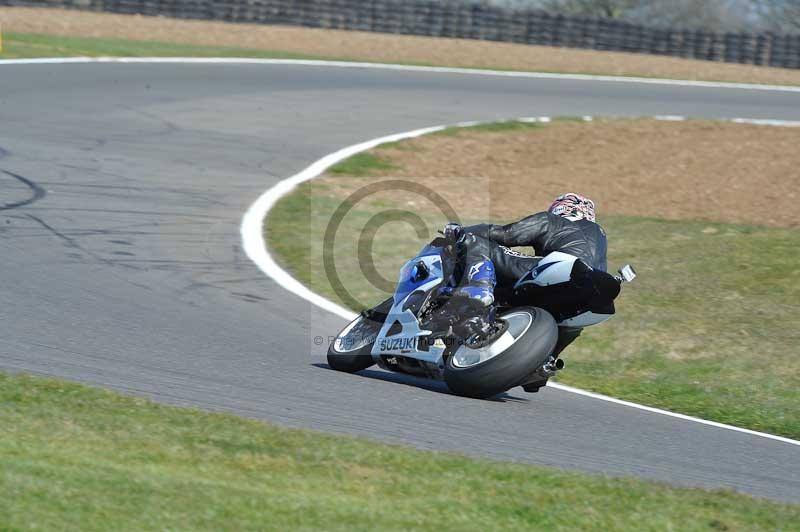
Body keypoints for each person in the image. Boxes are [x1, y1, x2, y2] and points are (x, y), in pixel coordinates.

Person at [443, 193, 620, 392]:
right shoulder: (600, 236)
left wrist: (460, 232)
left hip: (559, 270)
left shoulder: (554, 220)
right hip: (585, 297)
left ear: (561, 208)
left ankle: (479, 290)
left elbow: (506, 234)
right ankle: (541, 365)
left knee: (475, 241)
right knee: (571, 324)